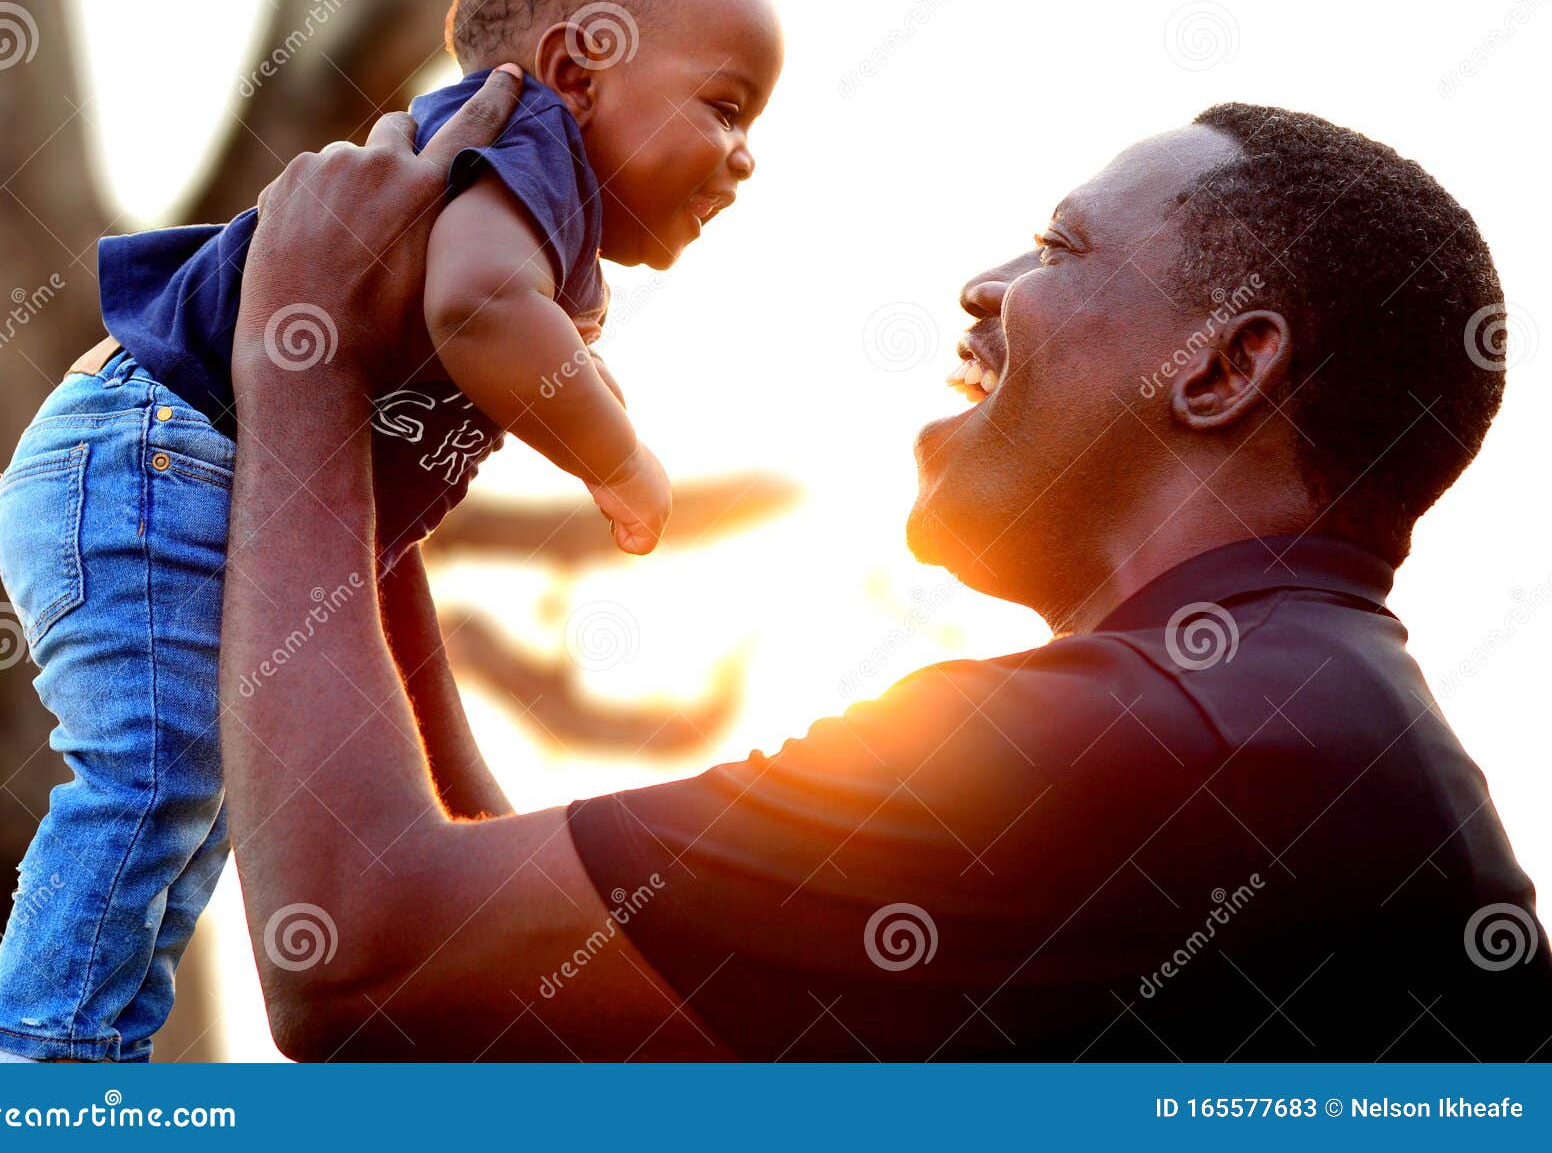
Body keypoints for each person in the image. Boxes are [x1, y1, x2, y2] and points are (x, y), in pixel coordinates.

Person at [220, 95, 1551, 1062]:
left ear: (1219, 369)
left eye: (1059, 248)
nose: (984, 286)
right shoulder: (1274, 726)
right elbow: (504, 1004)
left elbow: (357, 958)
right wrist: (369, 498)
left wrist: (297, 352)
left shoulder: (1143, 749)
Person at [0, 0, 781, 1064]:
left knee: (194, 789)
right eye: (726, 106)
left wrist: (474, 832)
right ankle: (33, 1051)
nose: (744, 157)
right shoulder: (521, 155)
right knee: (154, 768)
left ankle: (88, 1040)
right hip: (151, 455)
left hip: (150, 467)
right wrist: (621, 458)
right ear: (579, 67)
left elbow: (382, 554)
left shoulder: (527, 205)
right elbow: (480, 307)